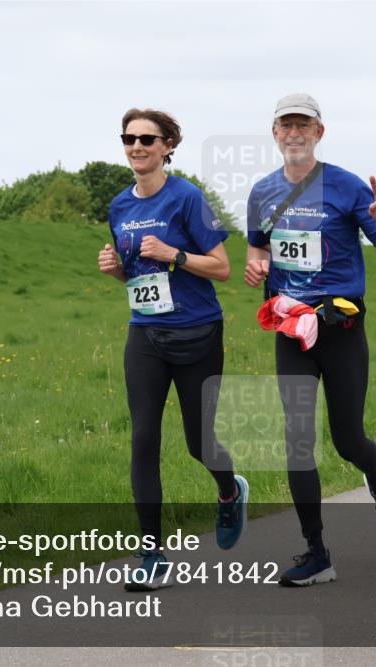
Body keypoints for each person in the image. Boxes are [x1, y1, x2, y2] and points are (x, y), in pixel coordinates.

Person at [243, 93, 376, 587]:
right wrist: (257, 267)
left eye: (304, 125)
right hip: (292, 330)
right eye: (286, 124)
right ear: (275, 133)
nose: (294, 132)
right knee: (297, 441)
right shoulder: (262, 192)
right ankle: (317, 553)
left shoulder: (346, 186)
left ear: (319, 132)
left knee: (348, 440)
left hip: (341, 330)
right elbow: (258, 249)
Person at [98, 107, 248, 591]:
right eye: (129, 139)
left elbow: (222, 268)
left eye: (147, 139)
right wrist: (116, 270)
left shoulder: (188, 198)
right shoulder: (119, 206)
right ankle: (152, 554)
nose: (136, 147)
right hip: (145, 333)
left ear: (167, 147)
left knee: (198, 442)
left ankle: (229, 490)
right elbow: (137, 274)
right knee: (143, 439)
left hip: (197, 331)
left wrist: (174, 255)